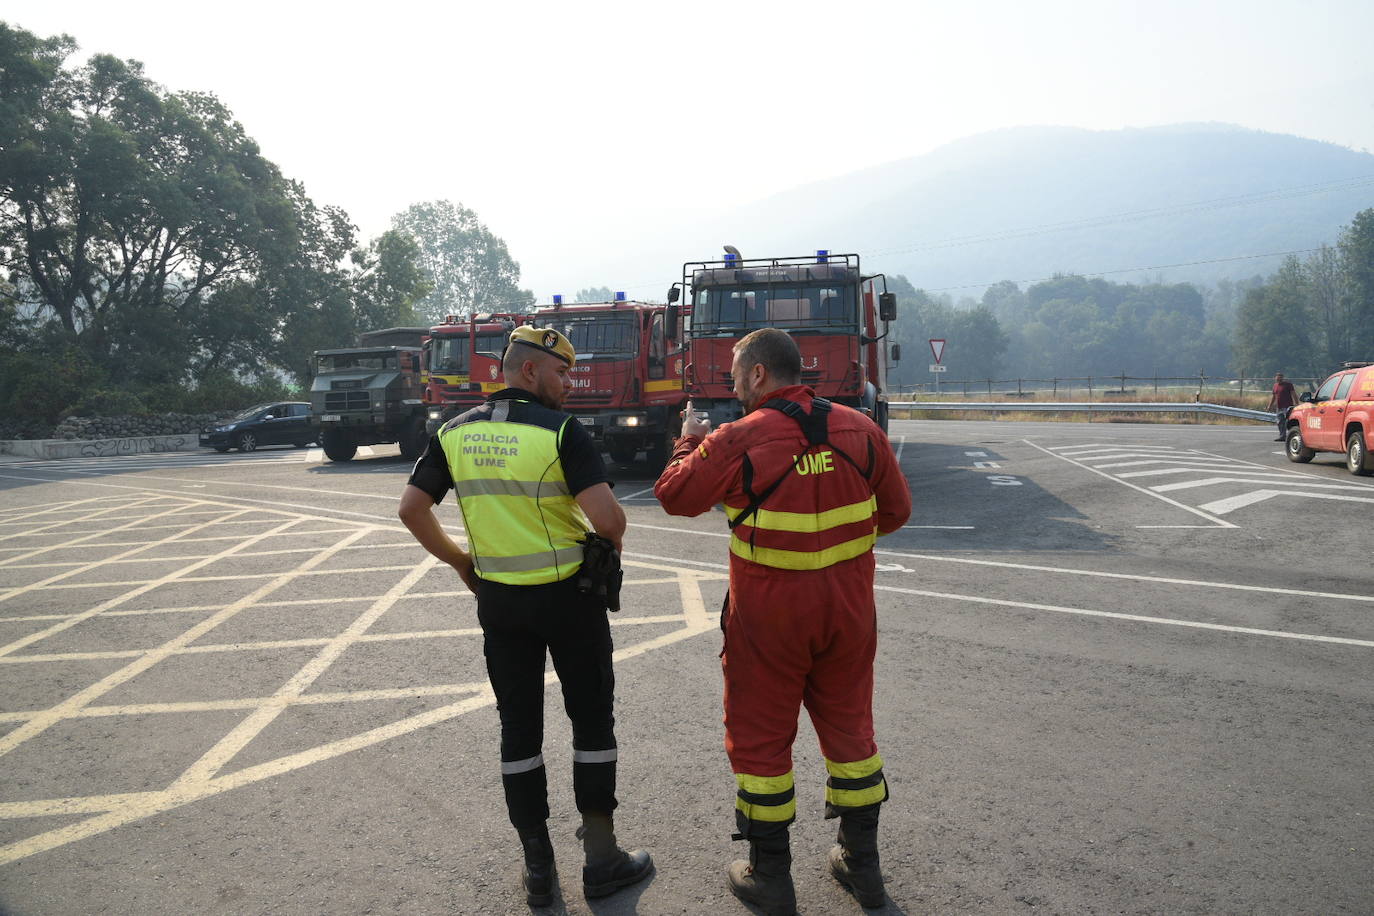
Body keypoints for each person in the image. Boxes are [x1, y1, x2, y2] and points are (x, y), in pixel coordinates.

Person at [655, 328, 912, 915]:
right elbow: (896, 510)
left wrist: (687, 442)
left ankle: (771, 877)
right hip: (848, 612)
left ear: (760, 375)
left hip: (768, 619)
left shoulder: (736, 438)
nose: (734, 386)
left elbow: (674, 496)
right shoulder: (860, 427)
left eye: (737, 375)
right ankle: (862, 869)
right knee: (852, 736)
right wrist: (837, 545)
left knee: (762, 743)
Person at [398, 325, 652, 907]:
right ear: (531, 372)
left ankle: (539, 870)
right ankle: (601, 858)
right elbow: (610, 521)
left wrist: (464, 563)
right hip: (570, 600)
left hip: (500, 603)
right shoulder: (561, 431)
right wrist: (598, 539)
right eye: (562, 372)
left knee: (519, 730)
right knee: (591, 722)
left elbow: (412, 509)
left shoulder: (454, 432)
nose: (570, 383)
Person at [1267, 372, 1297, 441]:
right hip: (1279, 407)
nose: (1278, 379)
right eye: (1277, 378)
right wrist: (1270, 406)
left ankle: (1292, 435)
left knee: (1288, 422)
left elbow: (1293, 394)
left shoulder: (1288, 385)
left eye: (1280, 378)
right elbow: (1273, 397)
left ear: (1282, 378)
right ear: (1275, 378)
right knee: (1280, 422)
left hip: (1287, 406)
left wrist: (1296, 403)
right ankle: (1282, 436)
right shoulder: (1275, 386)